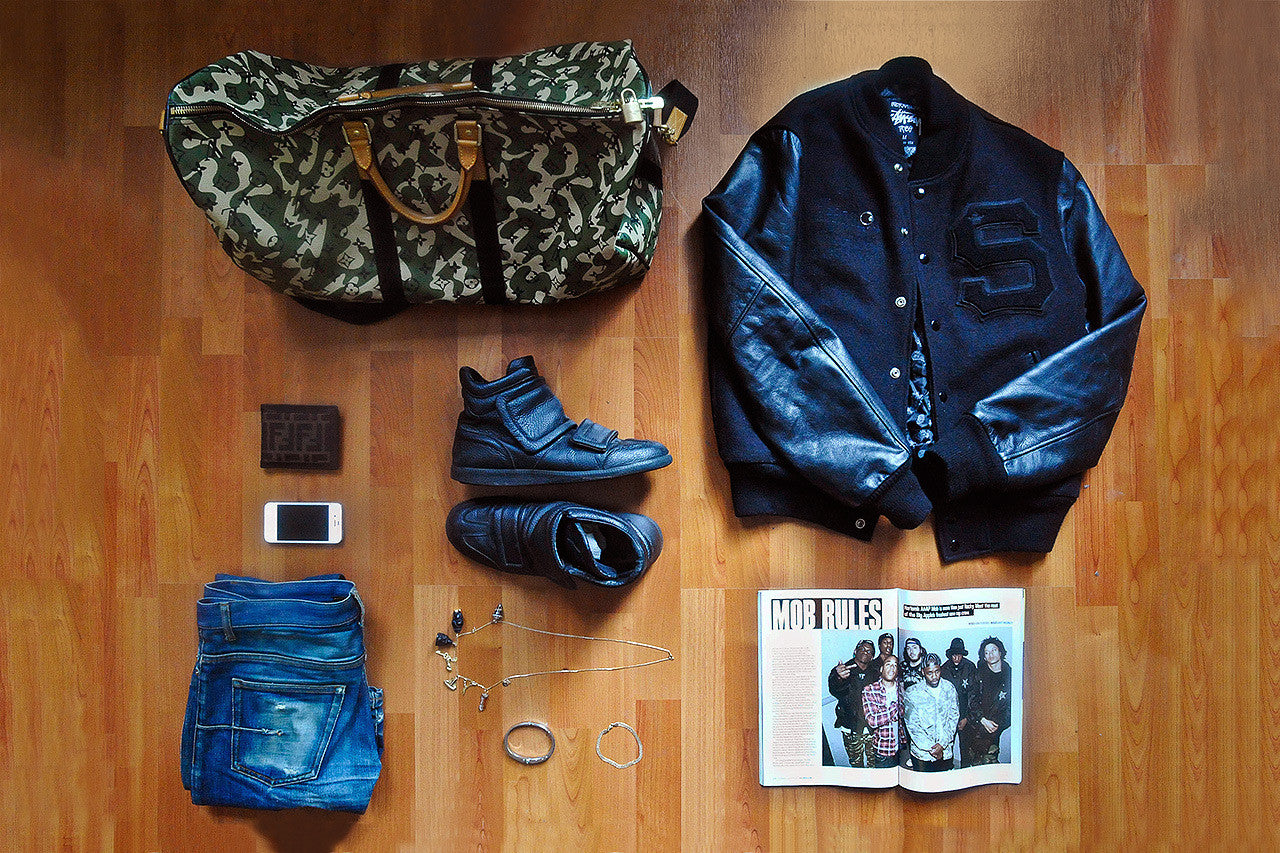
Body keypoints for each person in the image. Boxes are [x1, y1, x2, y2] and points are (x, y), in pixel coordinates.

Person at [904, 653, 960, 772]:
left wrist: (942, 745)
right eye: (929, 673)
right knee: (923, 782)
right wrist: (932, 748)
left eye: (937, 671)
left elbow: (953, 718)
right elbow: (913, 726)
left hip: (945, 751)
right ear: (923, 672)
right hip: (923, 755)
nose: (934, 676)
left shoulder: (949, 688)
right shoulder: (912, 693)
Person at [828, 639, 878, 767]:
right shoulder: (843, 669)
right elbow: (835, 689)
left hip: (872, 729)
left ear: (872, 657)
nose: (865, 652)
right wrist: (839, 678)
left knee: (874, 763)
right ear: (855, 651)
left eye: (869, 651)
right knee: (856, 764)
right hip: (851, 728)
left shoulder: (875, 673)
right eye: (862, 649)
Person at [964, 636, 1013, 766]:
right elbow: (972, 701)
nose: (991, 654)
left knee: (990, 764)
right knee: (974, 764)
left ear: (1000, 652)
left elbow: (1013, 706)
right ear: (984, 657)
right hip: (976, 727)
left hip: (995, 730)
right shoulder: (977, 674)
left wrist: (997, 724)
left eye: (994, 650)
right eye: (987, 652)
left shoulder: (1011, 675)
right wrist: (982, 720)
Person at [861, 654, 904, 769]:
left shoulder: (901, 687)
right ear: (881, 669)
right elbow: (872, 721)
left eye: (895, 665)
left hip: (900, 747)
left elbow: (904, 713)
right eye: (888, 664)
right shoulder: (870, 690)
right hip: (883, 750)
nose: (892, 668)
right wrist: (895, 707)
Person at [941, 637, 978, 766]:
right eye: (954, 655)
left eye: (959, 655)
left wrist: (967, 717)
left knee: (966, 748)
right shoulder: (944, 669)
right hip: (948, 716)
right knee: (947, 746)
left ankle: (965, 772)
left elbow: (974, 694)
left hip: (965, 714)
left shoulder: (970, 667)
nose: (956, 658)